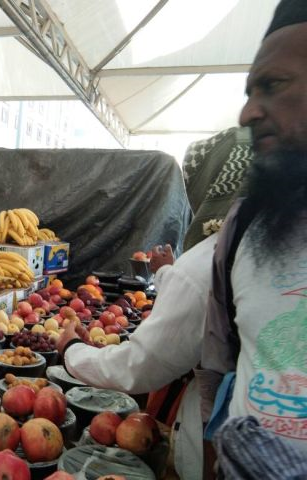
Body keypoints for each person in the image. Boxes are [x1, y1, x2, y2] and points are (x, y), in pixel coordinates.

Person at [57, 127, 253, 480]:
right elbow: (197, 306)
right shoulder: (271, 256)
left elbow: (140, 365)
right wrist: (167, 276)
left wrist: (72, 350)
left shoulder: (206, 266)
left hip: (220, 444)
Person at [199, 0, 307, 462]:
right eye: (249, 92)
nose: (246, 114)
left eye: (272, 85)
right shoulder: (245, 226)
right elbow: (217, 368)